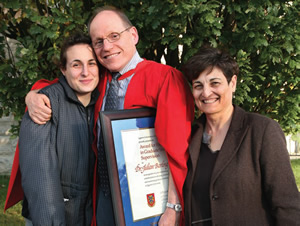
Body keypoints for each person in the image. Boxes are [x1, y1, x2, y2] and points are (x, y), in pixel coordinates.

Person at [8, 6, 194, 226]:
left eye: (114, 36)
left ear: (133, 35)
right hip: (102, 200)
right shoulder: (100, 78)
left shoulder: (165, 79)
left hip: (148, 201)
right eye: (99, 41)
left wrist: (173, 208)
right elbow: (64, 85)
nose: (107, 46)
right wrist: (34, 93)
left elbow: (178, 150)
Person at [182, 46, 300, 225]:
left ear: (233, 83)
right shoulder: (190, 136)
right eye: (198, 86)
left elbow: (287, 206)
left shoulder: (262, 131)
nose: (206, 93)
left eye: (215, 83)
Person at [18, 32, 100, 225]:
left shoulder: (102, 101)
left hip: (88, 216)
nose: (85, 72)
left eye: (91, 63)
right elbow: (40, 179)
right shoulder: (45, 104)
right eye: (76, 64)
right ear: (63, 69)